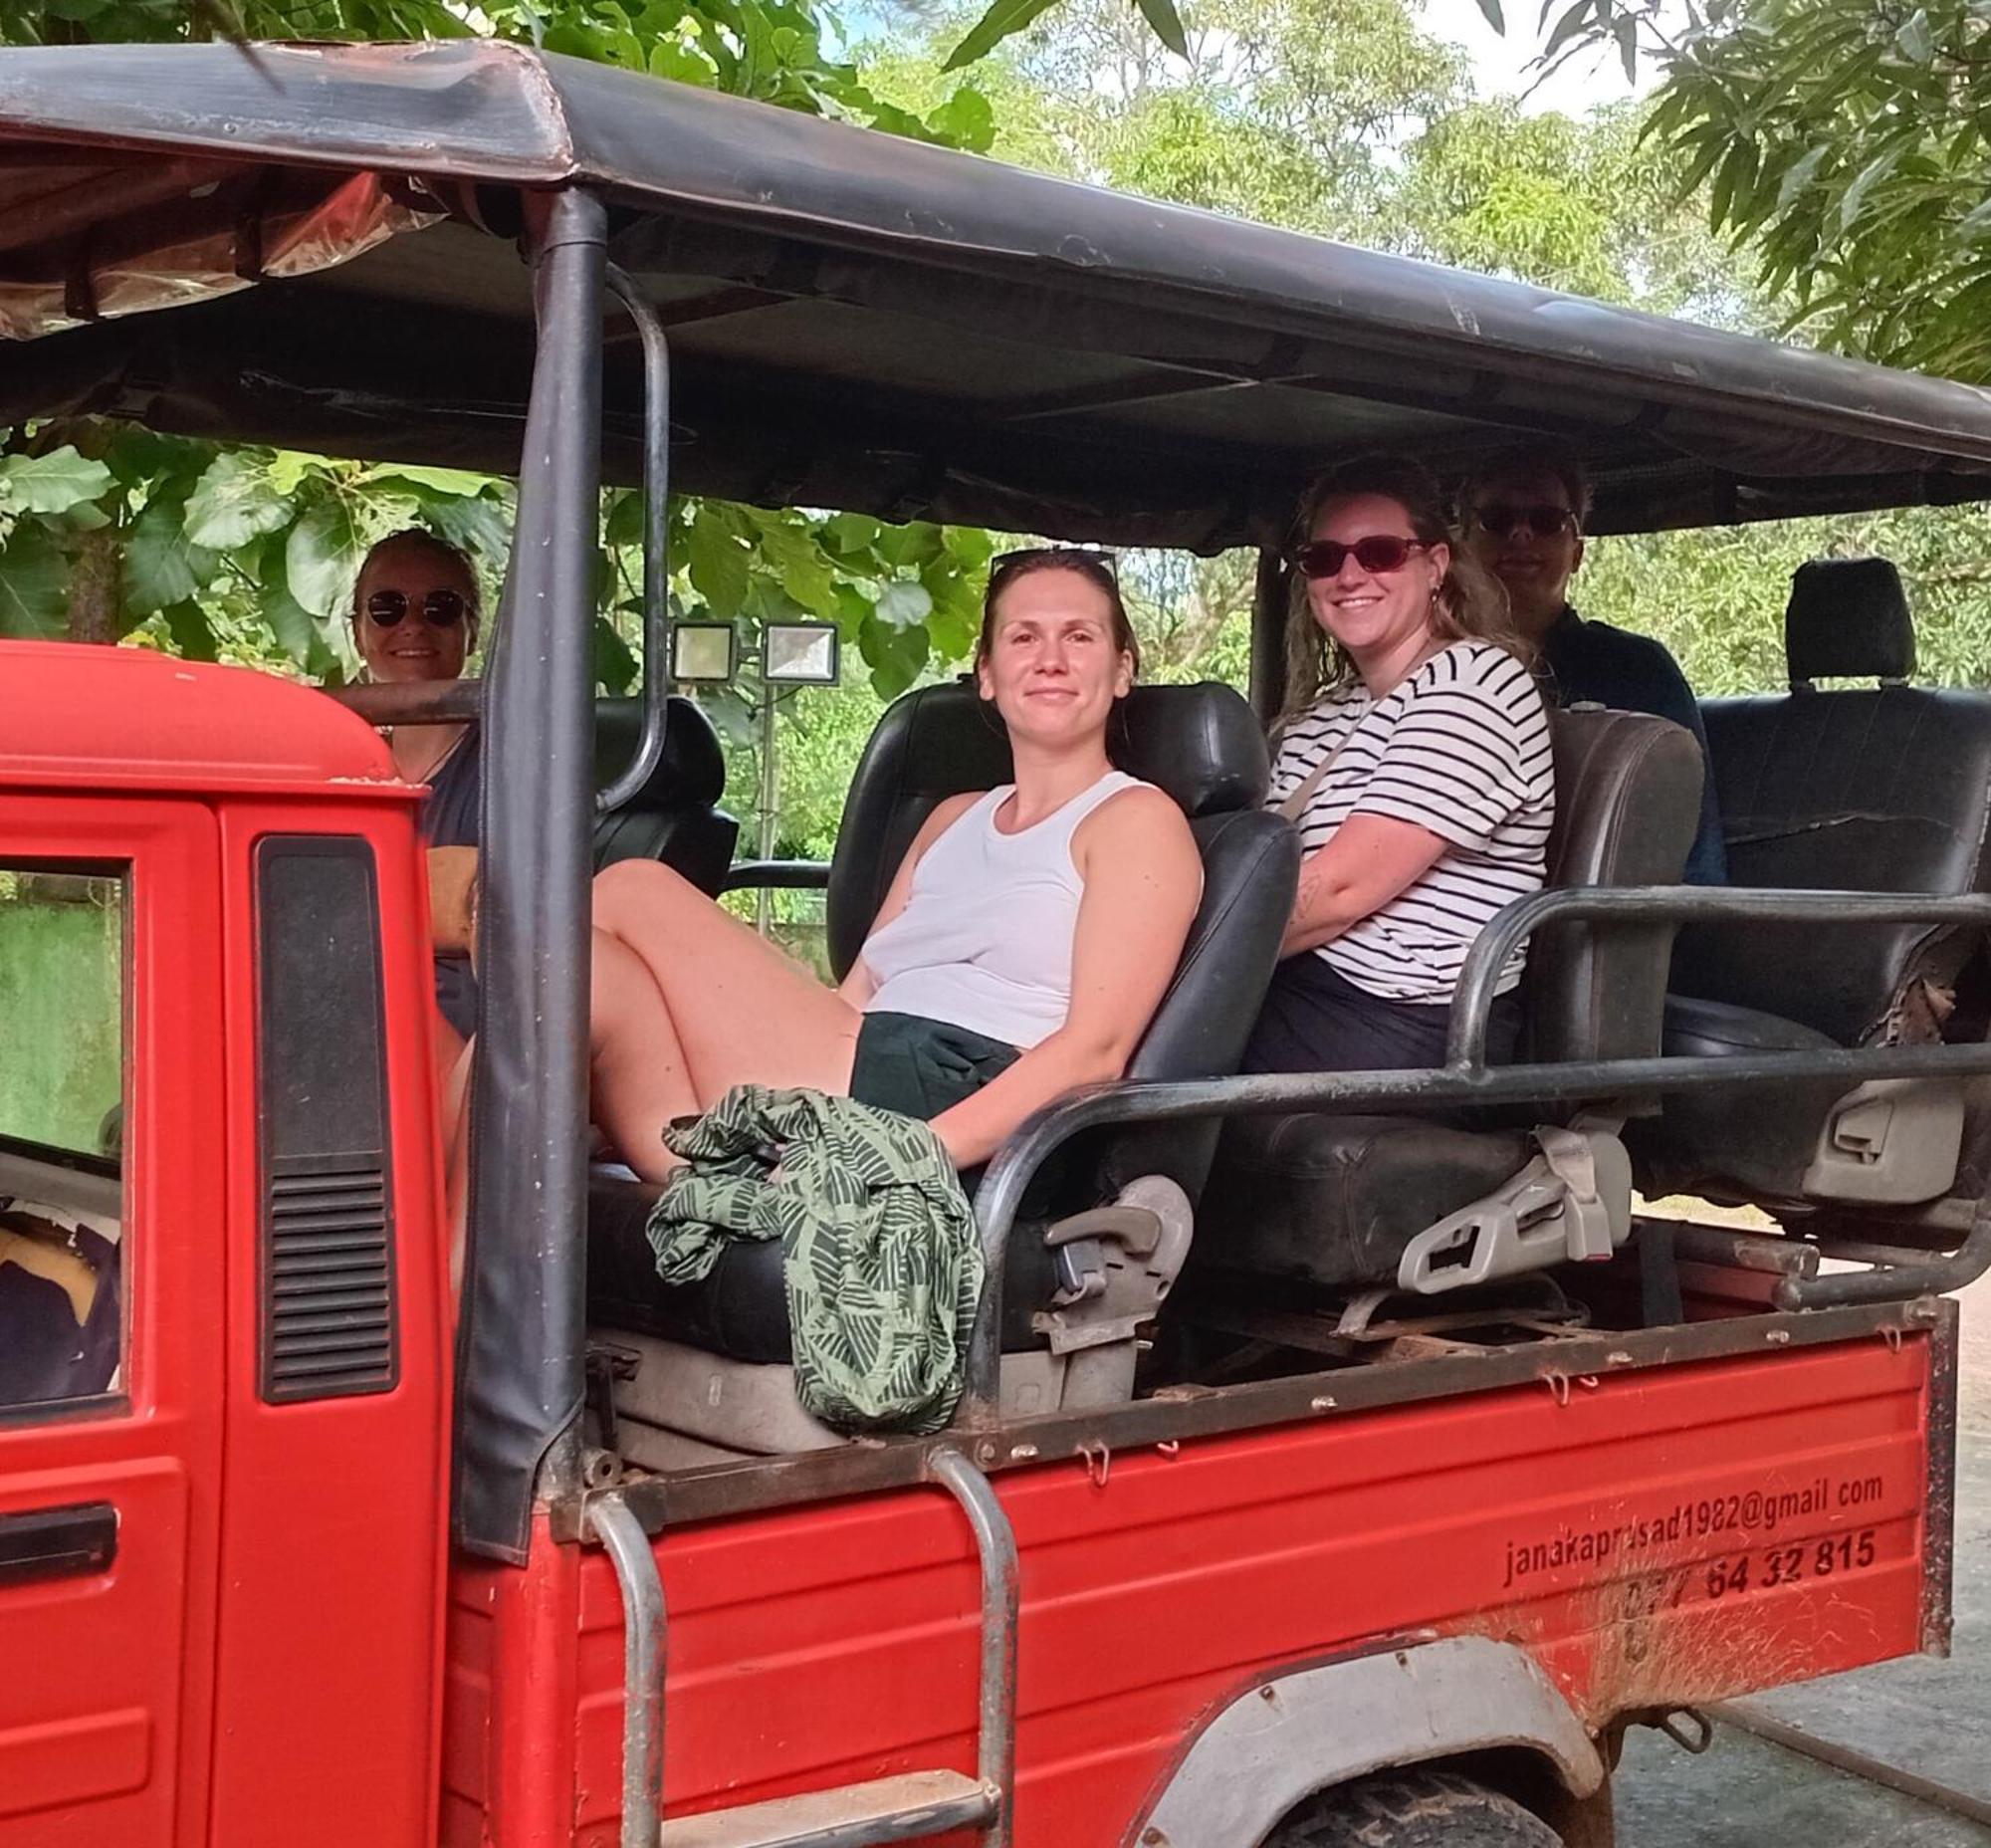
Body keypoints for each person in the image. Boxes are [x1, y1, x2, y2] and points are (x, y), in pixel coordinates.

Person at [584, 550, 1204, 1179]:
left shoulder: (1135, 820)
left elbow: (1094, 1051)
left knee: (632, 888)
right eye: (1024, 637)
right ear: (986, 674)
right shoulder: (949, 820)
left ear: (1123, 668)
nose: (1051, 659)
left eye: (1079, 636)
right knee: (583, 976)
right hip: (859, 1063)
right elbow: (856, 993)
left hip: (959, 1098)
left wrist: (907, 1158)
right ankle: (706, 1182)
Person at [1244, 454, 1553, 1074]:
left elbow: (1337, 890)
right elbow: (1264, 867)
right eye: (1325, 559)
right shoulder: (1323, 715)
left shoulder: (1475, 684)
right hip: (1308, 988)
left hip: (1405, 1018)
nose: (1350, 575)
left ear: (1436, 566)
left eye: (1380, 553)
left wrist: (1173, 956)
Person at [1459, 442, 1727, 884]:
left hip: (1586, 923)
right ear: (1461, 545)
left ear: (1578, 554)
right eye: (1497, 520)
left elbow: (1692, 849)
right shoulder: (1425, 667)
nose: (1521, 535)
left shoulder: (1636, 670)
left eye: (1546, 522)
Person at [348, 530, 484, 1040]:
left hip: (464, 1035)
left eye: (440, 608)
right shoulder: (338, 762)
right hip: (347, 1014)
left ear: (471, 628)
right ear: (359, 631)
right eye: (388, 608)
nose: (413, 627)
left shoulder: (511, 764)